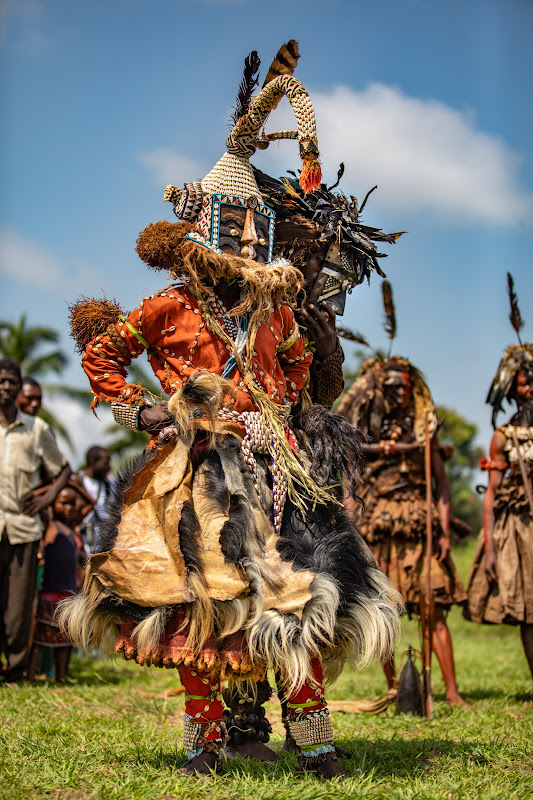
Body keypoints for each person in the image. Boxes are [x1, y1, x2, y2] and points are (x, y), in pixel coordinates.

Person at [59, 41, 402, 778]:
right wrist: (144, 414)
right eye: (234, 224)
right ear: (207, 225)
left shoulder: (275, 314)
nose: (248, 236)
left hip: (279, 473)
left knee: (303, 597)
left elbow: (304, 374)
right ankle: (204, 746)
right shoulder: (168, 305)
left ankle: (314, 743)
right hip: (198, 475)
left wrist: (306, 401)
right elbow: (103, 357)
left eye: (255, 225)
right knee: (201, 611)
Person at [221, 167, 403, 759]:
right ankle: (244, 731)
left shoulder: (310, 311)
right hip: (231, 464)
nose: (313, 262)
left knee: (309, 592)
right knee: (238, 596)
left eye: (321, 255)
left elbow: (318, 395)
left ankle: (313, 740)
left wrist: (327, 351)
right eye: (303, 247)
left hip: (295, 469)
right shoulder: (234, 292)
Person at [338, 354, 468, 705]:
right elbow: (350, 481)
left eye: (404, 388)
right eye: (391, 387)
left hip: (417, 523)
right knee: (385, 607)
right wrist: (351, 525)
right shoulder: (364, 428)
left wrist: (442, 531)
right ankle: (397, 687)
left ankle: (451, 691)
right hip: (376, 524)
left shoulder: (424, 429)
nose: (398, 394)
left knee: (432, 607)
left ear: (413, 390)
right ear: (380, 387)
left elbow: (441, 483)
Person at [465, 343, 533, 702]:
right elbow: (491, 493)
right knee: (530, 609)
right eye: (524, 382)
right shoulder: (503, 437)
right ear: (511, 388)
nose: (531, 387)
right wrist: (489, 547)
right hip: (520, 530)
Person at [0, 358, 71, 683]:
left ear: (17, 387)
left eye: (11, 382)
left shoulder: (36, 429)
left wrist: (46, 497)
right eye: (1, 381)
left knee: (17, 607)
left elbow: (63, 470)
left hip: (23, 528)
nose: (6, 387)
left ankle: (15, 671)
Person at [28, 481, 94, 683]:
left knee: (66, 638)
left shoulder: (71, 528)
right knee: (40, 636)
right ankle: (29, 674)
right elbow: (32, 497)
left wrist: (71, 485)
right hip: (50, 591)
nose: (69, 508)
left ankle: (61, 676)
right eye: (64, 503)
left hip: (69, 594)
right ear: (52, 503)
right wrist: (56, 487)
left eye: (73, 504)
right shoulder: (50, 525)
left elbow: (91, 502)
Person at [79, 446, 113, 551]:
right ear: (92, 462)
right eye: (105, 463)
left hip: (101, 543)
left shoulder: (109, 484)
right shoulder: (78, 482)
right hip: (82, 541)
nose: (108, 467)